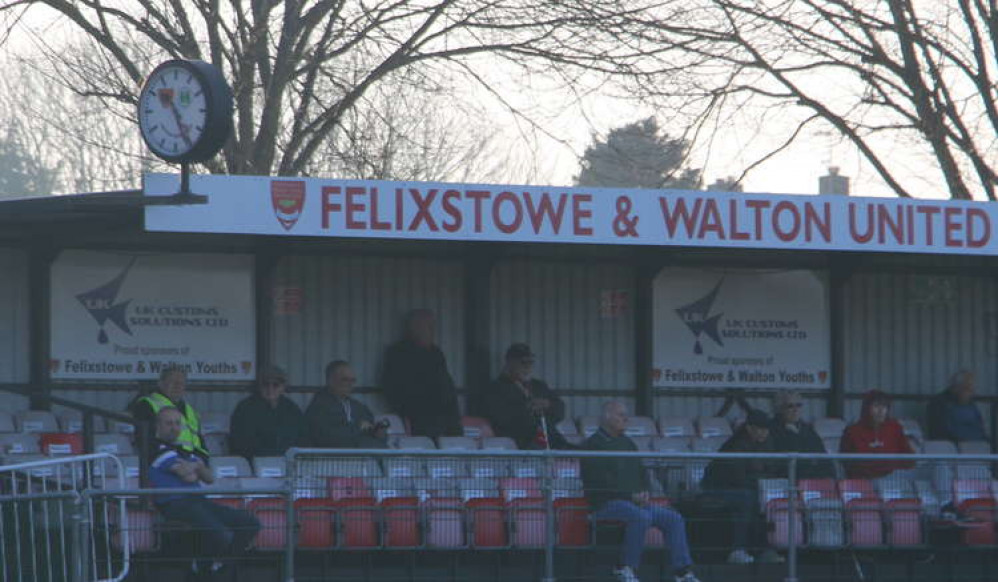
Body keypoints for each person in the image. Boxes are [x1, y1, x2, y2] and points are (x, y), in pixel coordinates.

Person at [582, 401, 700, 582]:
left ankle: (682, 571)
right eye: (621, 415)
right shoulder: (593, 444)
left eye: (625, 415)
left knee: (673, 518)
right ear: (607, 417)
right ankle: (626, 567)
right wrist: (630, 496)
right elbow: (600, 482)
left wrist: (645, 491)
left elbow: (642, 472)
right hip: (604, 503)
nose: (626, 419)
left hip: (634, 502)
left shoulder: (628, 443)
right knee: (640, 517)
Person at [149, 407, 259, 580]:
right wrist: (196, 467)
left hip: (199, 501)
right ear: (158, 426)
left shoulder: (183, 451)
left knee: (250, 522)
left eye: (177, 423)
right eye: (168, 423)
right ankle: (204, 565)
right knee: (222, 535)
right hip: (176, 504)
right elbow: (187, 475)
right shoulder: (157, 450)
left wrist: (195, 468)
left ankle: (218, 565)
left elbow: (209, 478)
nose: (174, 427)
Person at [700, 409, 783, 565]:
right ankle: (738, 550)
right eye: (760, 428)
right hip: (718, 489)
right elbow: (737, 478)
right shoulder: (736, 445)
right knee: (748, 499)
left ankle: (765, 550)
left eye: (766, 429)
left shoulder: (768, 443)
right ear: (749, 428)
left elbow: (772, 468)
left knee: (763, 499)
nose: (764, 433)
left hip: (750, 488)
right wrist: (760, 486)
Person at [382, 309, 462, 438]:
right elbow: (392, 387)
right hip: (419, 416)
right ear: (414, 328)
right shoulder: (398, 353)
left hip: (446, 416)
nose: (432, 331)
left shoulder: (436, 353)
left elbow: (446, 383)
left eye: (432, 327)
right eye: (428, 327)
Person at [483, 343, 571, 449]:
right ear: (509, 363)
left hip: (548, 438)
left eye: (530, 362)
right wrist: (528, 407)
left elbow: (560, 409)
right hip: (519, 442)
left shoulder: (539, 386)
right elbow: (501, 418)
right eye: (523, 362)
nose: (528, 367)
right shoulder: (496, 388)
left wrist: (547, 404)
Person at [130, 366, 208, 459]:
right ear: (161, 384)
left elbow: (199, 442)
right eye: (172, 382)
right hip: (166, 462)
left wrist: (203, 461)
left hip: (193, 462)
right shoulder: (146, 404)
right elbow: (147, 442)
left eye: (181, 383)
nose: (177, 386)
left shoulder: (189, 409)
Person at [305, 360, 388, 448]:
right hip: (331, 459)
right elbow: (329, 438)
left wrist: (379, 434)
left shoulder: (359, 407)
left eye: (353, 380)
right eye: (345, 380)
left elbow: (373, 431)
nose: (350, 384)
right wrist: (359, 428)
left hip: (364, 458)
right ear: (330, 380)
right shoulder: (318, 408)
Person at [228, 366, 304, 460]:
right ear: (259, 386)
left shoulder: (292, 409)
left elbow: (302, 439)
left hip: (288, 463)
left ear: (283, 387)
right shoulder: (244, 408)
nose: (270, 389)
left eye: (275, 385)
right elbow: (240, 443)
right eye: (265, 384)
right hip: (254, 464)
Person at [840, 389, 914, 479]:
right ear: (867, 408)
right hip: (863, 481)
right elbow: (846, 462)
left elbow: (909, 457)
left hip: (893, 480)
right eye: (876, 406)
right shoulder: (852, 431)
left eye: (884, 406)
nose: (881, 410)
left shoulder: (895, 428)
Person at [769, 391, 834, 479]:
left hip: (812, 481)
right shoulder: (771, 430)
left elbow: (823, 456)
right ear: (780, 409)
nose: (795, 410)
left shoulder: (808, 430)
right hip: (786, 480)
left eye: (798, 405)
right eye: (790, 406)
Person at [926, 370, 988, 443]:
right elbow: (939, 432)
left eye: (971, 389)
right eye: (967, 388)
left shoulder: (971, 405)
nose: (971, 393)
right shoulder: (938, 403)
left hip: (976, 446)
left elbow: (980, 428)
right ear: (956, 387)